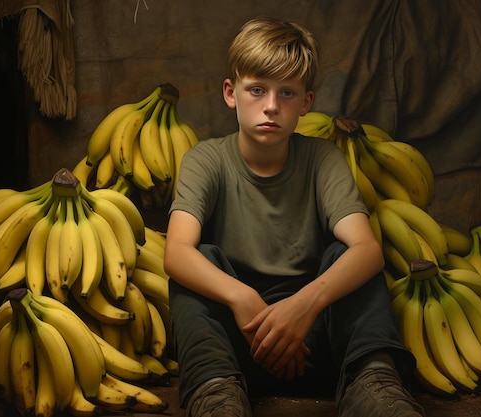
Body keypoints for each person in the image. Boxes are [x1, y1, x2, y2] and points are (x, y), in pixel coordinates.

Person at [163, 16, 425, 417]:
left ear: (305, 103)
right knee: (199, 261)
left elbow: (367, 249)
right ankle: (214, 397)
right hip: (237, 347)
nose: (271, 106)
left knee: (349, 256)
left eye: (286, 93)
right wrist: (241, 296)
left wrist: (303, 306)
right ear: (231, 93)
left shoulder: (322, 159)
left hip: (315, 345)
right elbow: (176, 251)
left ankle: (375, 384)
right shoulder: (207, 159)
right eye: (257, 90)